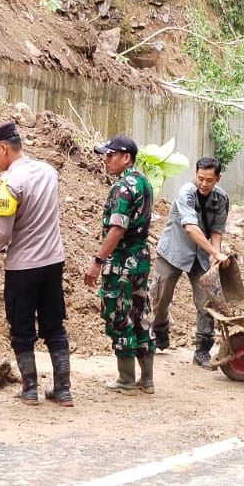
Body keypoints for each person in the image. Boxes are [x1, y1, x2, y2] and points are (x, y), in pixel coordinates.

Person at [0, 122, 73, 407]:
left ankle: (30, 388)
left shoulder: (9, 183)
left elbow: (3, 231)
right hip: (53, 261)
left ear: (4, 147)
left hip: (23, 268)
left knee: (21, 327)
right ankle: (63, 390)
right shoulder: (48, 172)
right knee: (54, 326)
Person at [82, 135, 157, 395]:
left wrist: (97, 261)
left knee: (118, 316)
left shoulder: (123, 188)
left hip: (122, 262)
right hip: (140, 260)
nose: (106, 159)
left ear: (126, 157)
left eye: (111, 155)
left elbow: (116, 229)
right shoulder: (144, 183)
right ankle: (146, 380)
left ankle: (126, 379)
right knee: (141, 314)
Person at [150, 157, 232, 368]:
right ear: (195, 175)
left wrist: (216, 255)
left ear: (218, 178)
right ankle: (159, 330)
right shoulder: (185, 194)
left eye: (209, 180)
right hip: (173, 252)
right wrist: (214, 251)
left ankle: (202, 350)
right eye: (200, 178)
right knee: (160, 297)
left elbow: (216, 230)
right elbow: (190, 227)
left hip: (201, 256)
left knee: (206, 301)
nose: (204, 184)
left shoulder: (221, 199)